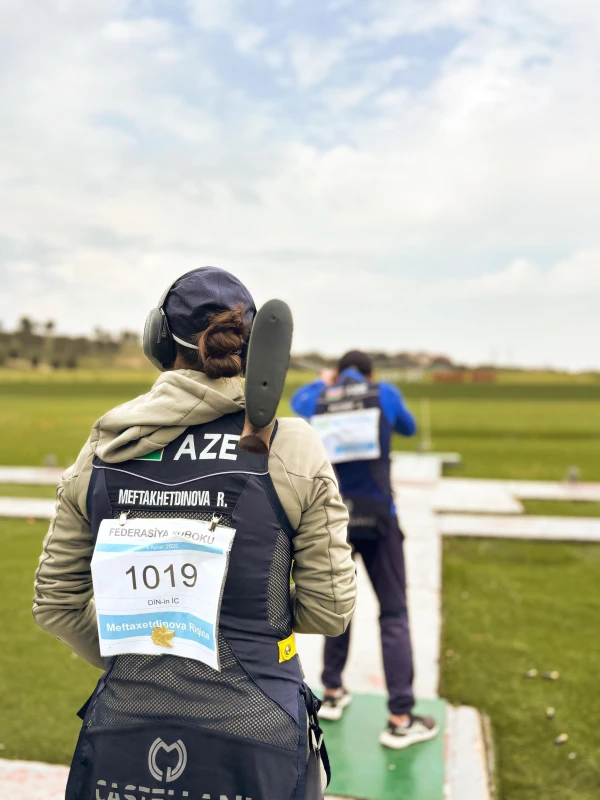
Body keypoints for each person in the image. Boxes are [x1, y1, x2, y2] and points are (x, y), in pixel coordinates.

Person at [33, 267, 357, 800]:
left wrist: (143, 638)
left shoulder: (107, 444)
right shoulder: (292, 445)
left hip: (123, 729)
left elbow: (56, 604)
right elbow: (330, 610)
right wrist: (247, 609)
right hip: (261, 734)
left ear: (158, 341)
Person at [291, 350, 438, 750]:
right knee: (393, 614)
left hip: (335, 520)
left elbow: (295, 403)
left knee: (338, 603)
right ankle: (401, 718)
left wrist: (325, 384)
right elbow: (408, 426)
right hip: (379, 519)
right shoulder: (383, 392)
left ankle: (334, 692)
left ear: (338, 373)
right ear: (370, 373)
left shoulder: (318, 397)